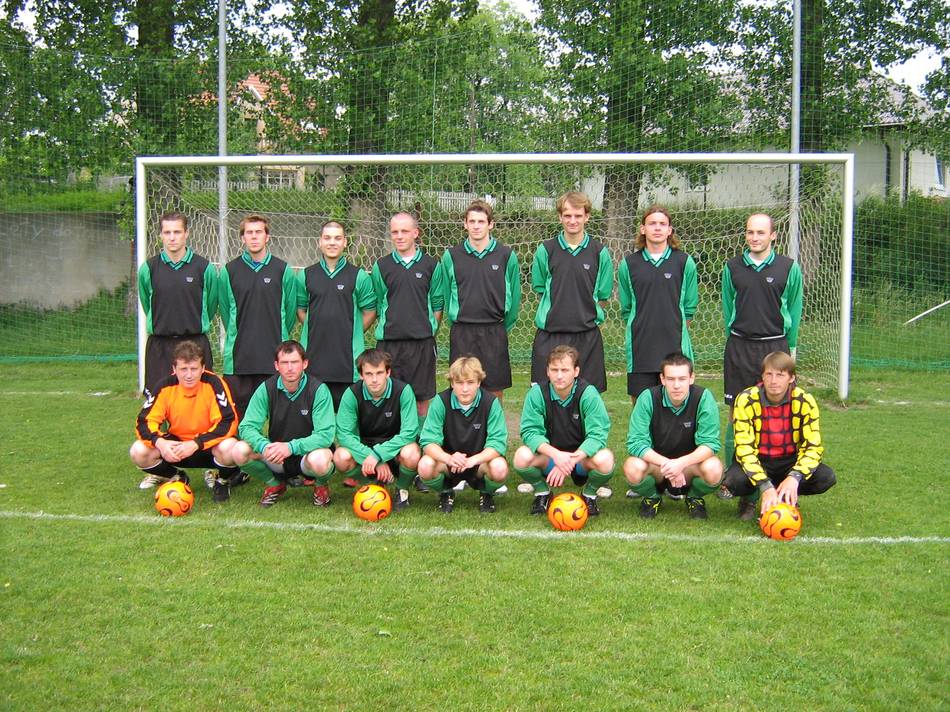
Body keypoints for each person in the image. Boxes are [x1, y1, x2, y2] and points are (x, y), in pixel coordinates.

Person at [721, 212, 803, 480]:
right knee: (737, 412)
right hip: (740, 346)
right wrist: (734, 337)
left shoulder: (788, 268)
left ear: (773, 235)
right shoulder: (732, 267)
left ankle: (779, 472)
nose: (754, 237)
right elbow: (728, 307)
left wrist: (790, 349)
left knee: (779, 411)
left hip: (774, 347)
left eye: (760, 232)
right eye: (750, 232)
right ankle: (733, 475)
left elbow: (794, 309)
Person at [724, 351, 836, 520]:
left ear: (791, 378)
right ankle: (749, 499)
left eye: (780, 375)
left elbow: (813, 447)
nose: (773, 381)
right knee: (734, 481)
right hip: (759, 458)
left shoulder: (805, 400)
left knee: (826, 477)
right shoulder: (746, 399)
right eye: (769, 374)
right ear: (762, 376)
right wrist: (764, 485)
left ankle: (786, 496)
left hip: (789, 461)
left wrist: (795, 476)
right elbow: (744, 448)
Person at [130, 340, 239, 502]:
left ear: (203, 368)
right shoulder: (165, 386)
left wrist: (196, 443)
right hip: (178, 446)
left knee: (229, 447)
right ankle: (177, 477)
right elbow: (144, 422)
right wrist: (160, 442)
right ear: (174, 369)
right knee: (138, 451)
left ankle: (222, 481)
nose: (189, 375)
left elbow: (227, 422)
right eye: (183, 369)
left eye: (194, 369)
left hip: (208, 446)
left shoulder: (214, 384)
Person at [231, 341, 336, 508]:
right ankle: (274, 484)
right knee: (239, 450)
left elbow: (326, 435)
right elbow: (246, 427)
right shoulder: (266, 388)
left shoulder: (318, 390)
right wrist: (264, 446)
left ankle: (321, 485)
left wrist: (291, 447)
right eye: (284, 363)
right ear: (276, 365)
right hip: (277, 456)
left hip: (308, 455)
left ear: (305, 364)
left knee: (320, 460)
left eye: (294, 362)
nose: (290, 368)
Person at [514, 345, 614, 516]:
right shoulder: (537, 393)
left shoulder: (588, 393)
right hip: (550, 458)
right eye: (554, 370)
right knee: (521, 457)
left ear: (576, 371)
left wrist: (569, 461)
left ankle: (589, 495)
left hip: (581, 459)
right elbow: (530, 432)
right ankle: (543, 493)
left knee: (606, 459)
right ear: (547, 371)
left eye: (565, 370)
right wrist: (557, 456)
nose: (559, 375)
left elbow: (598, 434)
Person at [622, 353, 723, 520]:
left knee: (714, 468)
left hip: (689, 469)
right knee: (632, 466)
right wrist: (669, 465)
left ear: (691, 378)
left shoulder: (703, 397)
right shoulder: (647, 397)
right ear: (662, 379)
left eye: (682, 379)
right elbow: (636, 443)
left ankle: (694, 497)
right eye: (670, 379)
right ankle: (652, 497)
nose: (676, 385)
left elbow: (710, 444)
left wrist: (681, 463)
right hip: (657, 468)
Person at [530, 191, 613, 392]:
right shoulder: (546, 250)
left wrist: (584, 313)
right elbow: (540, 288)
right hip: (550, 335)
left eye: (578, 215)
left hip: (587, 336)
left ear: (587, 216)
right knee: (545, 396)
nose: (572, 220)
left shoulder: (599, 252)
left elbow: (603, 295)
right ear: (560, 217)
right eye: (567, 215)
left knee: (588, 397)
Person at [219, 213, 299, 419]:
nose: (254, 236)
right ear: (242, 238)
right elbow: (226, 311)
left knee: (279, 418)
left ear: (267, 236)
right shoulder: (229, 271)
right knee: (237, 420)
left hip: (273, 356)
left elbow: (289, 313)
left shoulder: (283, 270)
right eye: (249, 233)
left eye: (258, 232)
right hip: (239, 358)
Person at [440, 200, 521, 400]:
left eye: (481, 221)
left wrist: (501, 326)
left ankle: (495, 423)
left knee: (494, 391)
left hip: (494, 331)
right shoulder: (451, 256)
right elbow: (446, 295)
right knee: (462, 388)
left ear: (490, 224)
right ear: (465, 224)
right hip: (462, 332)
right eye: (472, 221)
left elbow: (515, 298)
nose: (476, 226)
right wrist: (456, 318)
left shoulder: (506, 255)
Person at [616, 205, 698, 403]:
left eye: (662, 223)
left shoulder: (684, 262)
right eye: (652, 223)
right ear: (643, 229)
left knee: (677, 405)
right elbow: (627, 308)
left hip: (674, 345)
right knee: (641, 406)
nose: (657, 227)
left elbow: (689, 307)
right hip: (641, 346)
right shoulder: (629, 264)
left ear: (669, 230)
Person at [370, 212, 445, 418]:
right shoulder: (381, 266)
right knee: (387, 398)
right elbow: (379, 301)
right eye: (395, 232)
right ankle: (392, 437)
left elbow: (437, 303)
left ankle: (420, 436)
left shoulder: (431, 265)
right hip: (389, 344)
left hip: (421, 344)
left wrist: (428, 328)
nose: (399, 236)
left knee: (421, 400)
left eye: (404, 231)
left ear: (415, 233)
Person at [297, 220, 377, 410]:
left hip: (347, 361)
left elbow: (370, 311)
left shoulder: (359, 276)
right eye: (327, 238)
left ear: (345, 242)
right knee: (314, 414)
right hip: (314, 358)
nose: (332, 242)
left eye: (337, 238)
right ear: (320, 242)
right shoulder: (306, 275)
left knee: (346, 417)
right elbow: (300, 310)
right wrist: (316, 327)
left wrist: (353, 330)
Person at [138, 211, 217, 396]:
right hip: (160, 346)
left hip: (195, 344)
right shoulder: (148, 269)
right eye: (167, 232)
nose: (172, 238)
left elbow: (211, 305)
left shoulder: (204, 268)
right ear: (160, 235)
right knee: (158, 401)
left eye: (177, 232)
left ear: (186, 233)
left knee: (199, 400)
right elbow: (147, 303)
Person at [333, 348, 422, 511]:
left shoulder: (403, 391)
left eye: (379, 373)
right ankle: (370, 486)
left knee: (412, 453)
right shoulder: (351, 394)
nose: (374, 379)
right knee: (340, 456)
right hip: (365, 451)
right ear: (361, 375)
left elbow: (409, 432)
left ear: (388, 372)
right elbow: (344, 435)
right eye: (369, 374)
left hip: (395, 449)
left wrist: (379, 454)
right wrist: (372, 457)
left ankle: (402, 489)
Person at [417, 356, 509, 514]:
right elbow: (428, 441)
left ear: (479, 382)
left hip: (479, 463)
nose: (465, 389)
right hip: (449, 462)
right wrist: (448, 458)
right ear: (452, 383)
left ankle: (487, 493)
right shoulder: (441, 401)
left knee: (499, 467)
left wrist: (473, 460)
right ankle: (445, 492)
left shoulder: (490, 402)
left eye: (470, 382)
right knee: (425, 465)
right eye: (459, 383)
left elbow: (497, 444)